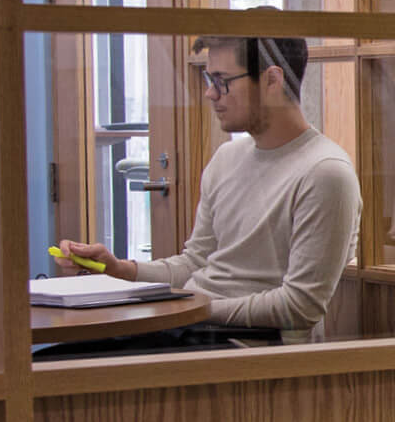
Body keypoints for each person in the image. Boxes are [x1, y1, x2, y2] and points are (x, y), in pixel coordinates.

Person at [49, 21, 362, 351]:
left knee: (62, 373)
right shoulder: (227, 158)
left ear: (272, 80)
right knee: (53, 361)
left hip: (244, 346)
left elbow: (300, 307)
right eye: (209, 79)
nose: (210, 93)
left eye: (222, 81)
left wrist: (188, 308)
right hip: (191, 328)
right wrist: (120, 269)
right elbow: (194, 265)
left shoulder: (326, 173)